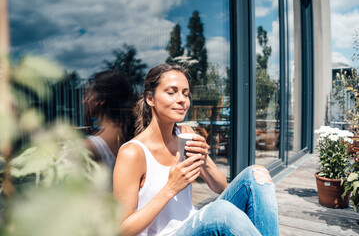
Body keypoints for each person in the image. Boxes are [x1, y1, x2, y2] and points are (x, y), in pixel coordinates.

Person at [113, 64, 279, 236]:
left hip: (193, 225)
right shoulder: (133, 153)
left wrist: (204, 159)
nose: (182, 100)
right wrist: (170, 188)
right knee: (221, 211)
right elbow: (122, 229)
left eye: (185, 93)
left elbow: (221, 187)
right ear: (150, 99)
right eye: (171, 92)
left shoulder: (185, 134)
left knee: (256, 175)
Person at [83, 70, 135, 170]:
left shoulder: (89, 147)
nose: (86, 100)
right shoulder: (135, 136)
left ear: (101, 100)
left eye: (90, 94)